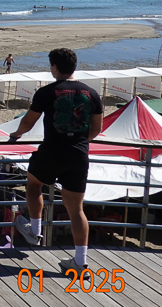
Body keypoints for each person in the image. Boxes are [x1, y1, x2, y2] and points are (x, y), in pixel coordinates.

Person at [10, 48, 103, 274]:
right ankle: (80, 262)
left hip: (52, 150)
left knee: (34, 184)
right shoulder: (92, 93)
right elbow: (96, 129)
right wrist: (78, 141)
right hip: (78, 154)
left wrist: (16, 134)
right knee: (76, 209)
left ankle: (35, 230)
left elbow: (28, 123)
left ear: (54, 67)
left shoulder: (46, 92)